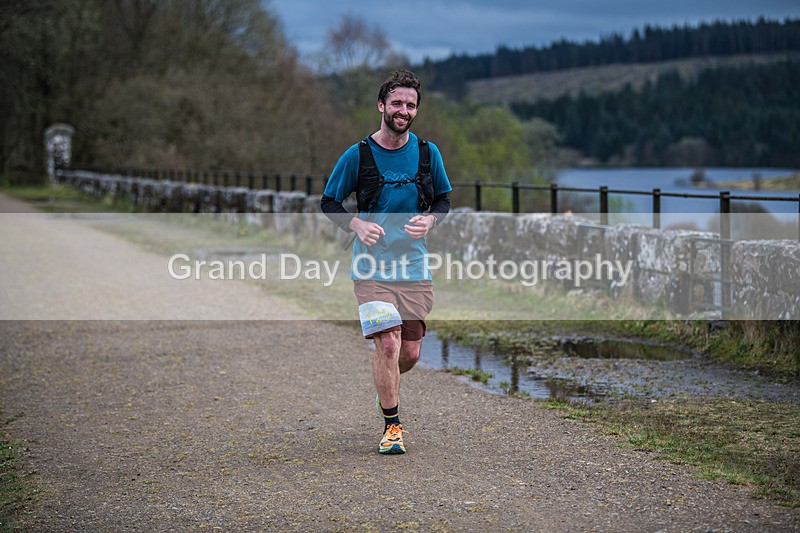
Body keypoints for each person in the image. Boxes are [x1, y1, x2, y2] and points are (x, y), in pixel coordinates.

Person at [320, 69, 452, 454]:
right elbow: (329, 202)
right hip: (370, 268)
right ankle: (392, 426)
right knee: (389, 345)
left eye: (410, 105)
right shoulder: (357, 154)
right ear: (381, 105)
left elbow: (443, 200)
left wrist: (430, 219)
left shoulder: (429, 153)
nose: (404, 110)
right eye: (397, 103)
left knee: (409, 353)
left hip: (413, 267)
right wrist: (356, 224)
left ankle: (386, 391)